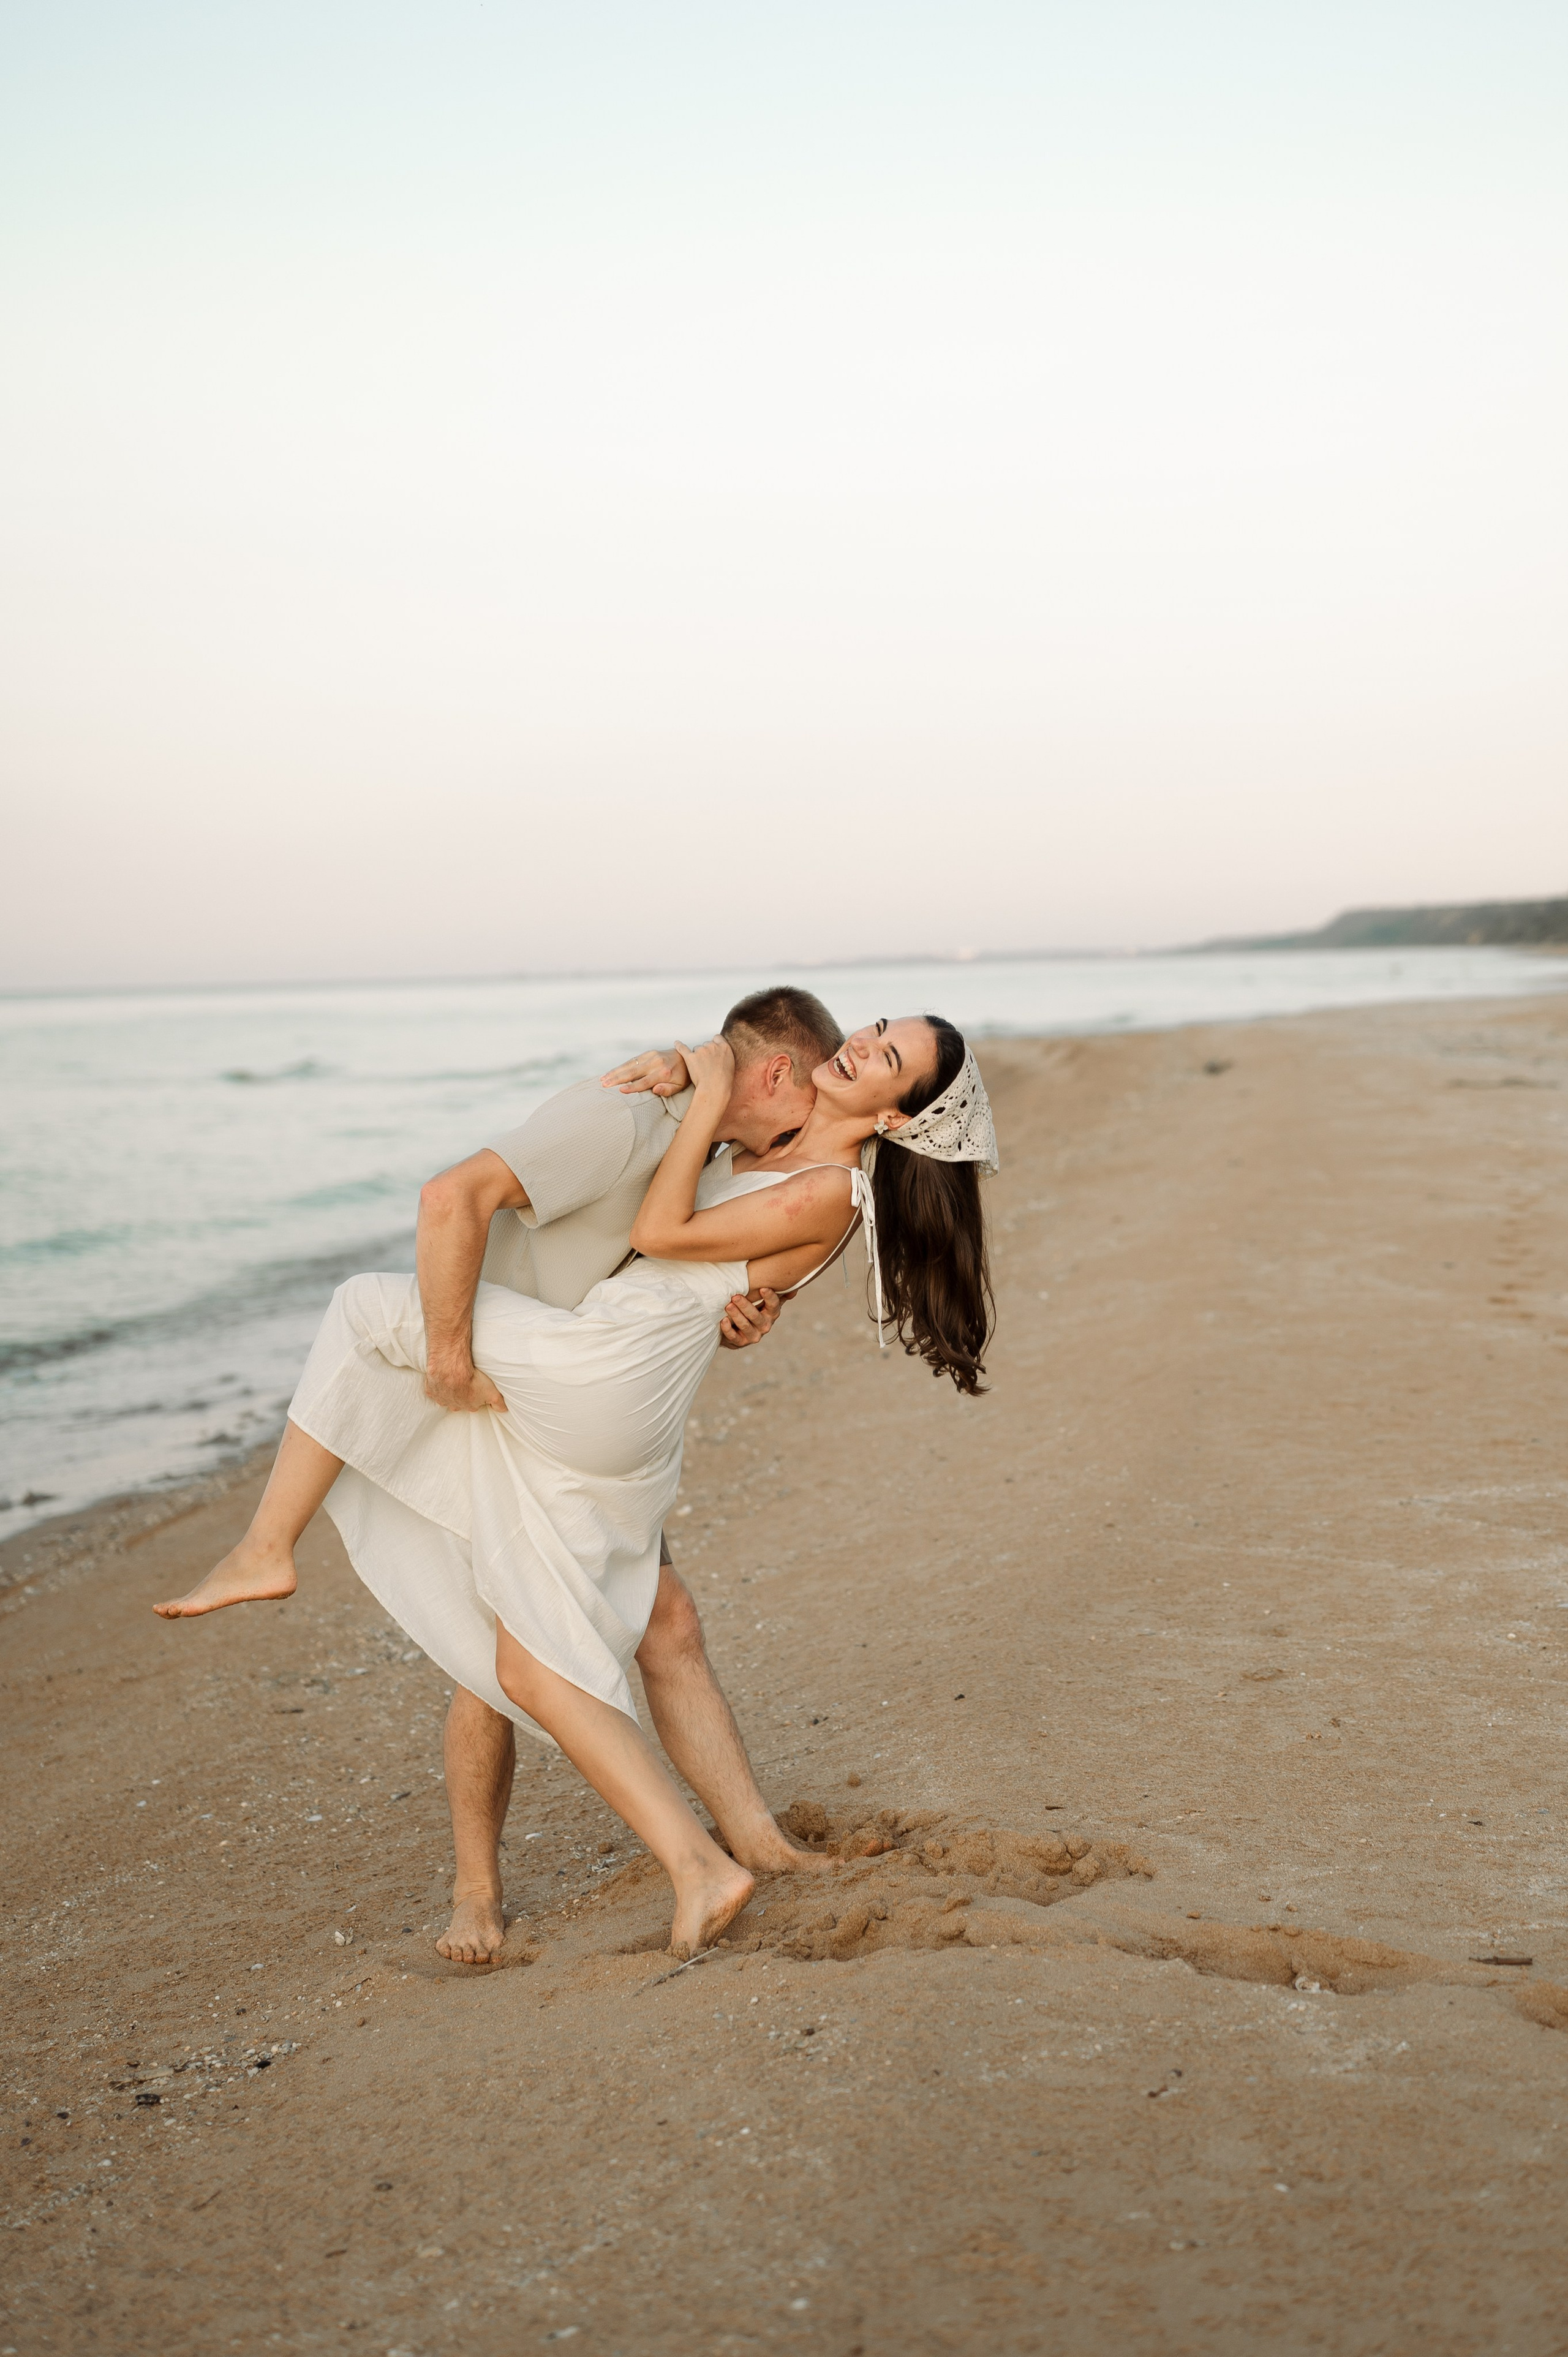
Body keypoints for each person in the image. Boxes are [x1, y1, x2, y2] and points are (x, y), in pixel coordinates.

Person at [160, 1010, 998, 1959]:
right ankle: (724, 1854)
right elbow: (729, 1278)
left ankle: (267, 1547)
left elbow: (659, 1228)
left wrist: (707, 1089)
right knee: (578, 1640)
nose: (863, 1044)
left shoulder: (832, 1190)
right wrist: (695, 1087)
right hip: (625, 1396)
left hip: (604, 1375)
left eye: (887, 1059)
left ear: (894, 1118)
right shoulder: (783, 1148)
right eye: (878, 1027)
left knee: (362, 1309)